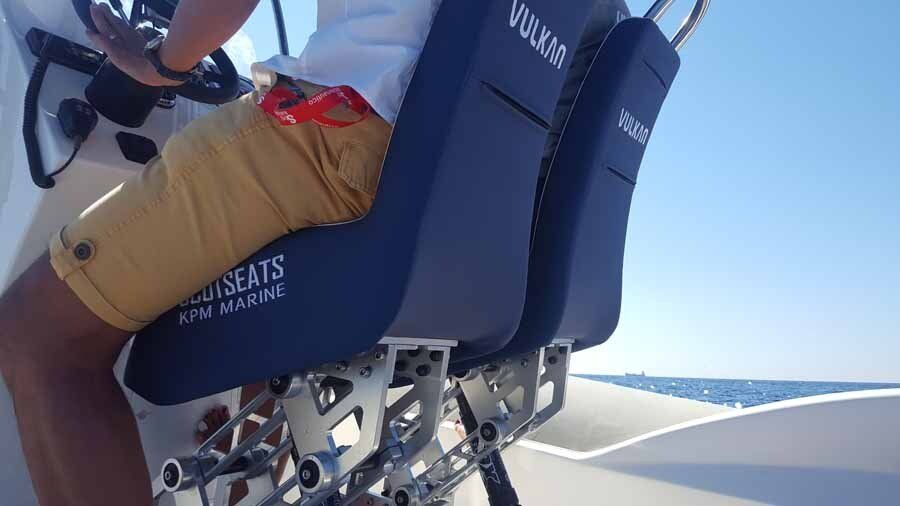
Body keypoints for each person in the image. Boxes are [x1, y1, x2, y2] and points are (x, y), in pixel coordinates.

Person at [0, 1, 627, 505]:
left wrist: (163, 61)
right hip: (466, 203)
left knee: (40, 335)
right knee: (265, 326)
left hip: (335, 139)